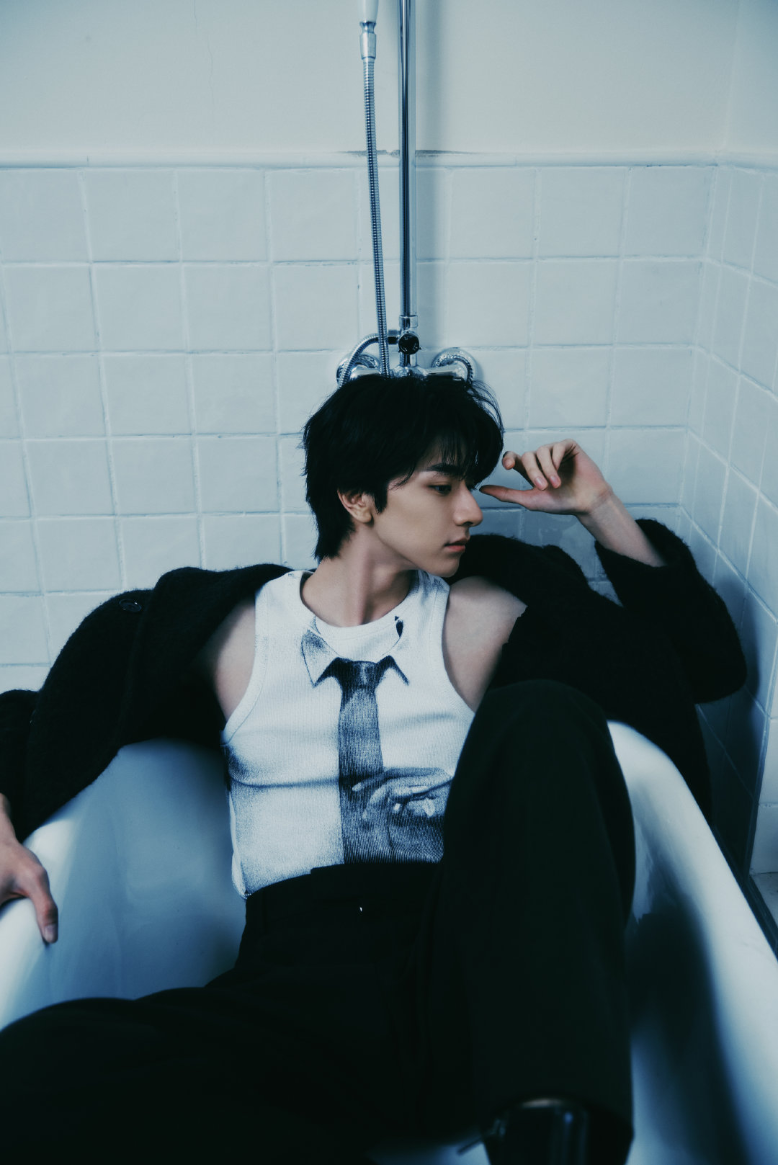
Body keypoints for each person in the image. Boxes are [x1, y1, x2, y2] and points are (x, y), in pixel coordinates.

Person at [0, 372, 745, 1165]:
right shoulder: (225, 632)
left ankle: (552, 1143)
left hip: (462, 985)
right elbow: (39, 720)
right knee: (31, 1070)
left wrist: (599, 509)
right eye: (442, 486)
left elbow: (701, 665)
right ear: (357, 497)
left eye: (469, 486)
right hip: (290, 1005)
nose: (471, 509)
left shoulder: (488, 615)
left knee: (547, 712)